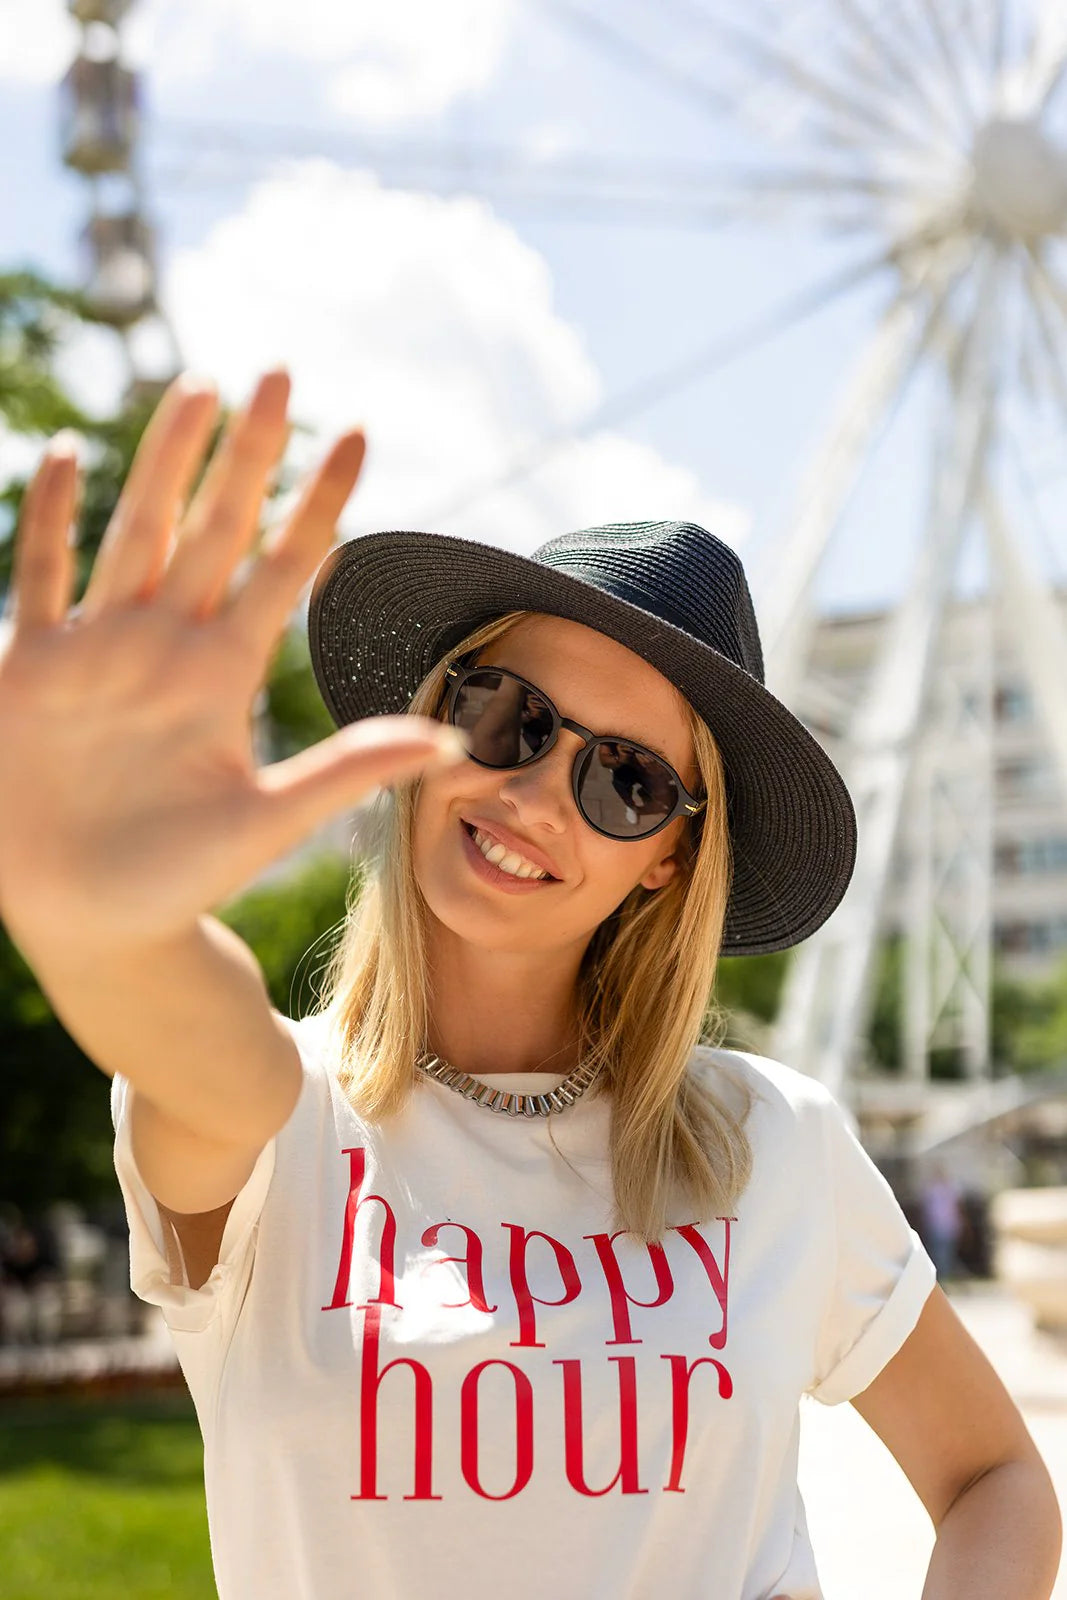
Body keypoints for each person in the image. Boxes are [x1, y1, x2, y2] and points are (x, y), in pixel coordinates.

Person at [0, 370, 1059, 1600]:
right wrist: (87, 907)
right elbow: (171, 1008)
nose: (537, 793)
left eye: (627, 780)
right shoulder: (276, 1117)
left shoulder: (774, 1140)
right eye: (507, 714)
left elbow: (995, 1477)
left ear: (670, 855)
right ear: (434, 714)